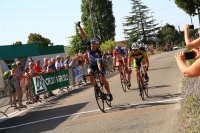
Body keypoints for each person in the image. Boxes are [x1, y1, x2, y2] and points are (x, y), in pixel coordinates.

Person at [77, 21, 113, 101]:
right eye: (91, 43)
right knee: (90, 74)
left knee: (103, 79)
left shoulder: (98, 52)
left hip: (98, 64)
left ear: (96, 45)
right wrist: (79, 27)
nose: (91, 45)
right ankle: (96, 88)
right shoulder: (89, 46)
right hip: (92, 65)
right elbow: (84, 36)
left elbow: (99, 63)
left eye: (93, 44)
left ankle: (109, 93)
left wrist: (100, 71)